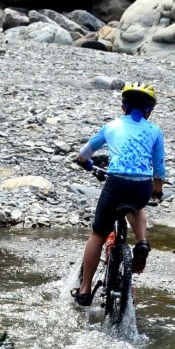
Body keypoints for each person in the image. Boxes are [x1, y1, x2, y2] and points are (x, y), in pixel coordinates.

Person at [71, 82, 166, 307]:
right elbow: (159, 167)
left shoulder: (111, 126)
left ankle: (84, 290)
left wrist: (84, 162)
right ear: (149, 110)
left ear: (123, 106)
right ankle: (141, 242)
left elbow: (85, 152)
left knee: (98, 234)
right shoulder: (154, 130)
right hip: (142, 184)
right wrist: (157, 190)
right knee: (138, 205)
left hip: (116, 184)